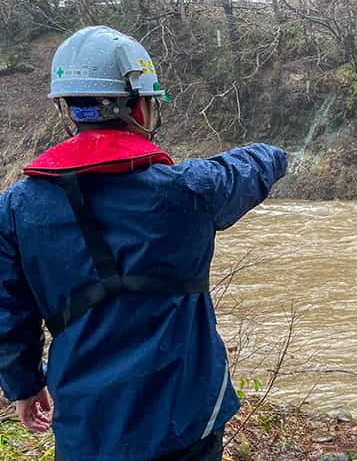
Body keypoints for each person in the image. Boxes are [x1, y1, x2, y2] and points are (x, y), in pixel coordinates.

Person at [0, 26, 288, 460]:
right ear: (138, 105)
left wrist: (23, 385)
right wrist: (279, 155)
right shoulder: (190, 190)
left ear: (68, 109)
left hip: (88, 425)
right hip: (186, 420)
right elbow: (256, 164)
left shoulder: (17, 207)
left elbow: (8, 312)